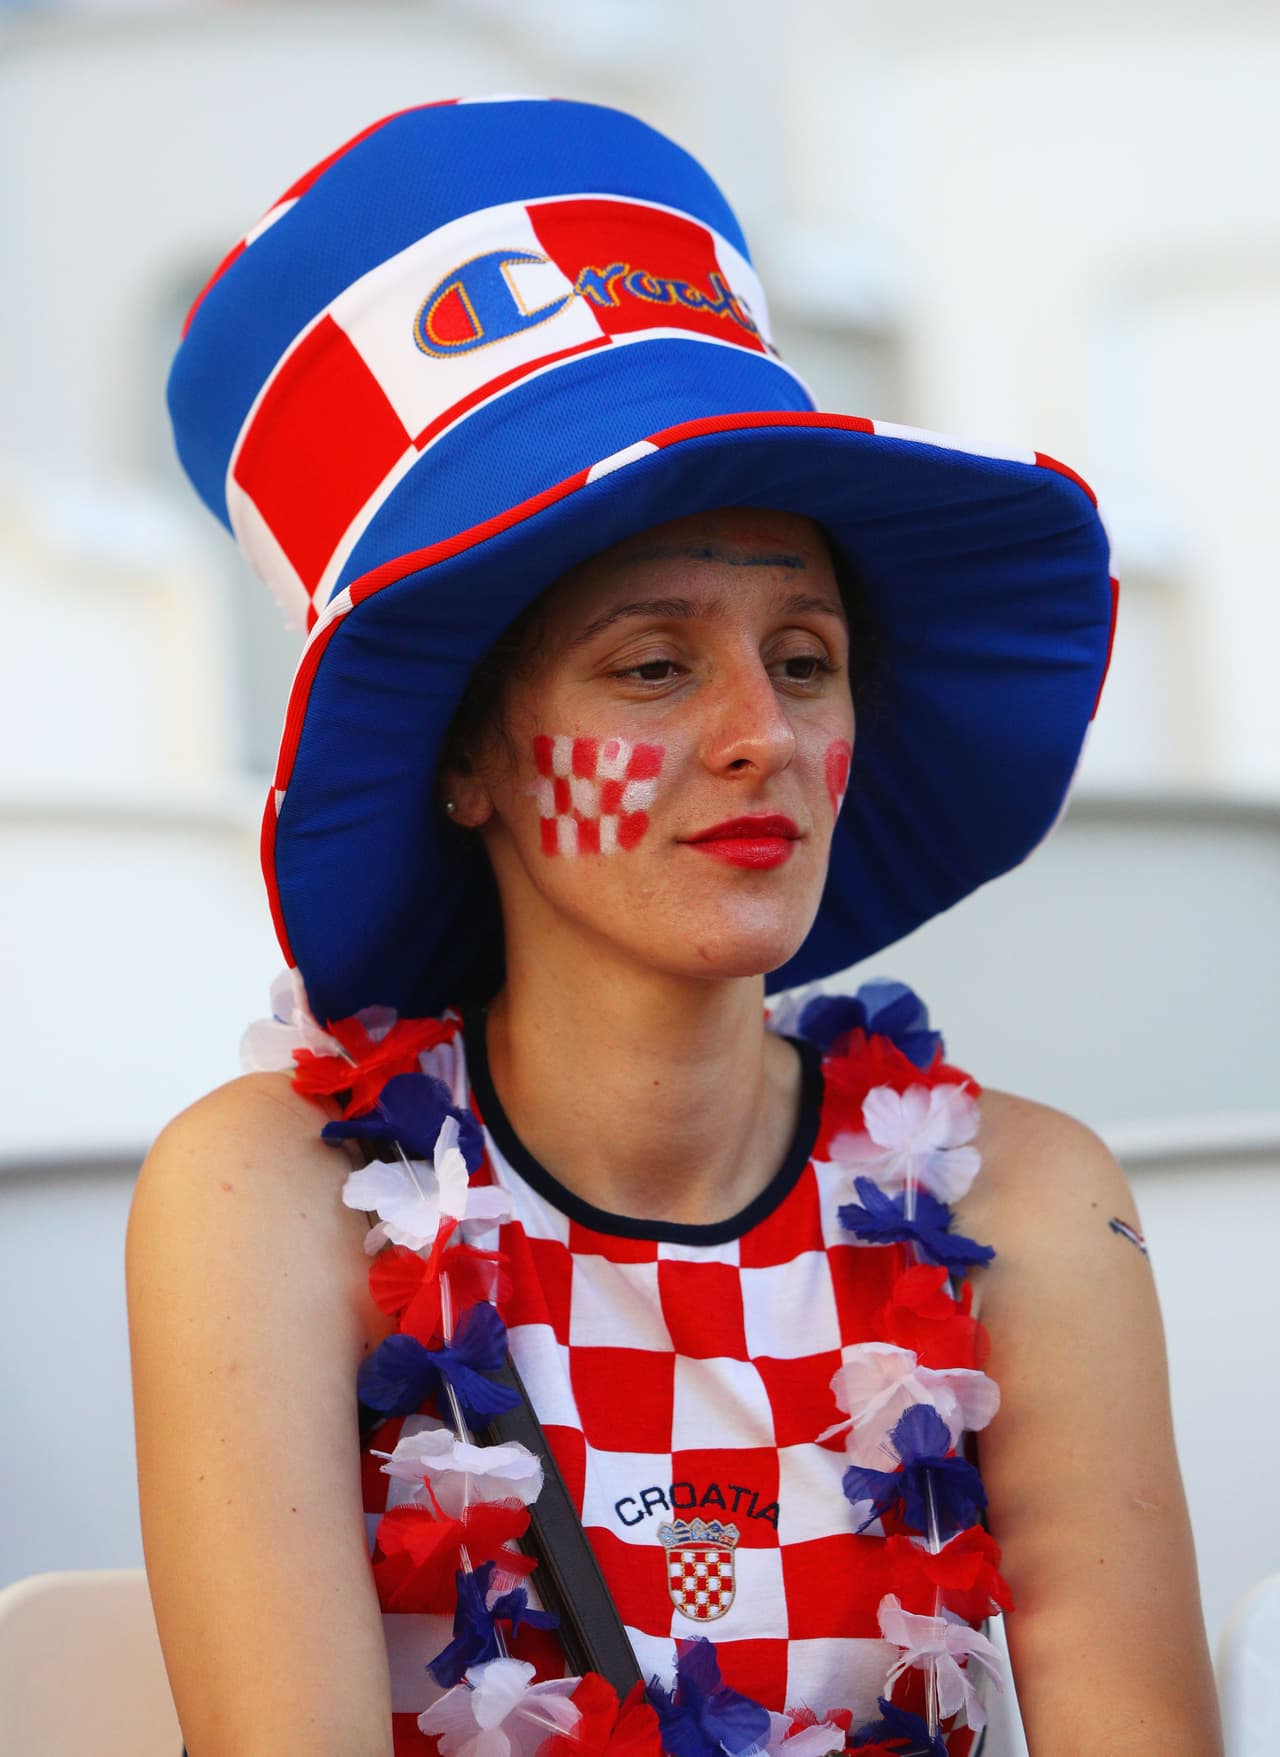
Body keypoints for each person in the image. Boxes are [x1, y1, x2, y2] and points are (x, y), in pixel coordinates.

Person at [127, 97, 1222, 1757]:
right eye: (652, 666)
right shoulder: (262, 1204)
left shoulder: (1030, 1205)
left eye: (804, 658)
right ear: (468, 762)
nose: (759, 736)